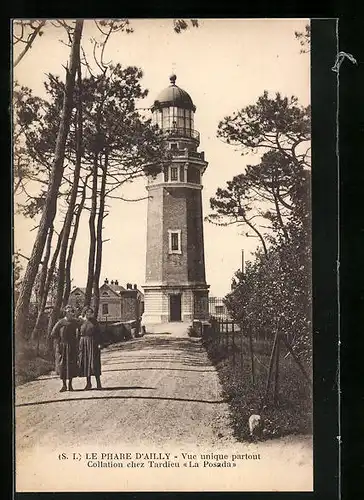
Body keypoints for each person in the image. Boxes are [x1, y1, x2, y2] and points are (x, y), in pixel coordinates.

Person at [50, 305, 80, 392]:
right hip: (62, 346)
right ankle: (64, 385)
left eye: (71, 311)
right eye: (68, 311)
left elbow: (81, 326)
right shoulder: (60, 322)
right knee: (63, 365)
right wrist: (59, 342)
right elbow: (53, 333)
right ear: (65, 312)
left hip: (72, 346)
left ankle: (70, 385)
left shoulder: (74, 322)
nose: (70, 313)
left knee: (71, 365)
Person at [78, 307, 102, 390]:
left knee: (94, 363)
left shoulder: (94, 322)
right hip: (83, 344)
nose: (89, 314)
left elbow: (99, 333)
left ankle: (98, 383)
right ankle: (88, 384)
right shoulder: (80, 322)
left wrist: (99, 343)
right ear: (84, 313)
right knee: (85, 363)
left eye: (90, 312)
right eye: (87, 312)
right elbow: (77, 333)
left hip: (93, 343)